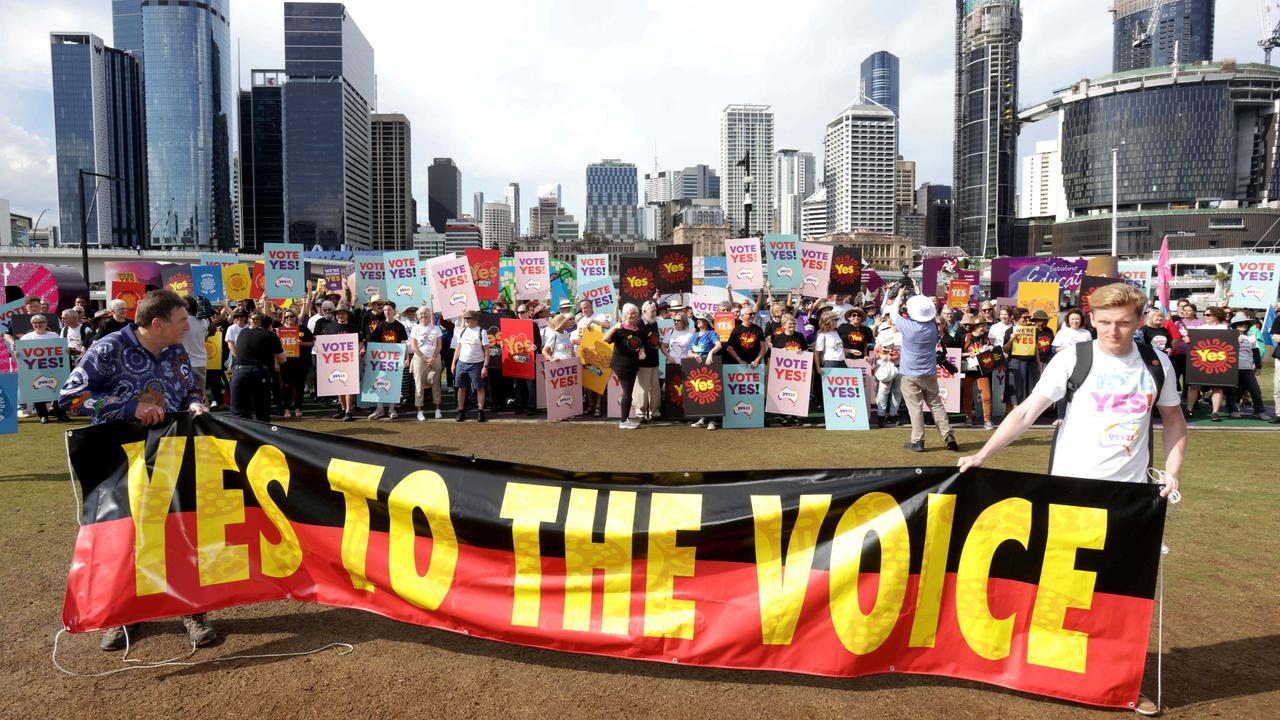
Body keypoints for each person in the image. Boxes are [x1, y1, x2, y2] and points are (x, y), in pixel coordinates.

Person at [957, 283, 1185, 719]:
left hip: (1131, 500)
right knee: (1058, 591)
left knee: (1121, 596)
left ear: (1139, 320)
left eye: (1123, 322)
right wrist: (983, 454)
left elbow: (1174, 420)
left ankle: (1122, 685)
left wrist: (1172, 472)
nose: (1113, 331)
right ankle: (1044, 670)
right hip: (1070, 495)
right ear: (1091, 320)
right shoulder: (1074, 358)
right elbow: (1026, 411)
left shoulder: (1156, 364)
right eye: (1104, 323)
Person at [56, 289, 217, 652]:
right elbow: (71, 396)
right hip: (119, 461)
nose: (187, 326)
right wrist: (129, 408)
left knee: (181, 530)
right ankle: (123, 616)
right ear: (157, 323)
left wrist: (195, 404)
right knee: (123, 538)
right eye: (180, 320)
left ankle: (192, 610)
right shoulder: (109, 348)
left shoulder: (176, 349)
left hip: (172, 453)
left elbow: (191, 387)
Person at [889, 291, 958, 452]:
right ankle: (948, 435)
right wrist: (918, 294)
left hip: (910, 374)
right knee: (936, 405)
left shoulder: (908, 326)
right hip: (929, 373)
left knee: (915, 408)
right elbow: (926, 310)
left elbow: (893, 312)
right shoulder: (932, 326)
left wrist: (899, 295)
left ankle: (918, 440)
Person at [229, 312, 284, 422]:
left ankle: (240, 437)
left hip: (239, 372)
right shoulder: (270, 335)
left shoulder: (242, 333)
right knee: (262, 413)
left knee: (239, 414)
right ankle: (261, 437)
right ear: (268, 325)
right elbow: (283, 359)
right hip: (259, 373)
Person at [20, 315, 70, 423]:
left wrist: (66, 351)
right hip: (35, 368)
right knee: (39, 391)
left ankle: (61, 414)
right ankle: (43, 415)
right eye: (35, 323)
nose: (38, 325)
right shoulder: (27, 338)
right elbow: (21, 353)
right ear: (32, 325)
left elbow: (61, 349)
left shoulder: (54, 336)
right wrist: (17, 353)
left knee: (57, 389)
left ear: (46, 324)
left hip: (53, 367)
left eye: (41, 322)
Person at [604, 304, 647, 430]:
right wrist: (614, 328)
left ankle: (625, 419)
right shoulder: (619, 328)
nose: (633, 315)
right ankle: (623, 421)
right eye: (630, 313)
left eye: (635, 313)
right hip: (622, 365)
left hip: (633, 365)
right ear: (625, 315)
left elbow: (640, 345)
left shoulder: (638, 330)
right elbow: (605, 338)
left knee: (628, 393)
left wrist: (642, 352)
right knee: (627, 393)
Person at [366, 300, 408, 420]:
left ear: (394, 311)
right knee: (379, 382)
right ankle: (379, 409)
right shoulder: (380, 326)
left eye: (389, 310)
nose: (387, 312)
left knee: (393, 383)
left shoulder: (399, 326)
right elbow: (374, 342)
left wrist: (406, 359)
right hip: (382, 359)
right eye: (385, 310)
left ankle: (391, 409)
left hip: (395, 359)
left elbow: (403, 343)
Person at [317, 304, 360, 421]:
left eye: (343, 313)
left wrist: (359, 350)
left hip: (350, 361)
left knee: (349, 386)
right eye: (338, 313)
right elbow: (323, 343)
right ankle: (343, 409)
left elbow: (360, 342)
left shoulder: (353, 327)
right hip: (334, 361)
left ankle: (348, 411)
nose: (341, 315)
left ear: (347, 315)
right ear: (336, 315)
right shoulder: (330, 327)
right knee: (338, 385)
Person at [1229, 313, 1270, 420]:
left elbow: (1255, 351)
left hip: (1247, 368)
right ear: (1234, 325)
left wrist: (1258, 366)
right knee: (1233, 391)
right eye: (1240, 324)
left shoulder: (1252, 336)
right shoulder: (1228, 335)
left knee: (1255, 390)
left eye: (1246, 323)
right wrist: (1235, 341)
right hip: (1232, 368)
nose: (1244, 325)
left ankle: (1259, 411)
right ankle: (1232, 410)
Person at [959, 313, 996, 429]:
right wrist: (968, 354)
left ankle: (987, 420)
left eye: (985, 326)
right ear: (976, 326)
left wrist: (991, 349)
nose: (984, 329)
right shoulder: (965, 337)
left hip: (982, 370)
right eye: (982, 326)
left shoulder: (986, 339)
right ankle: (968, 417)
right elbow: (956, 354)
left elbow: (992, 355)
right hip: (968, 369)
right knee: (968, 395)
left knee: (986, 396)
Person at [451, 310, 488, 422]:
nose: (466, 320)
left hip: (477, 364)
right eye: (465, 318)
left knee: (479, 387)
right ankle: (461, 411)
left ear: (475, 320)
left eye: (468, 318)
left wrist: (485, 366)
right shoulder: (463, 331)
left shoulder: (482, 332)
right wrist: (453, 363)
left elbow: (487, 351)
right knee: (461, 387)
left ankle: (480, 411)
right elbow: (458, 348)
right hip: (462, 363)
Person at [277, 308, 314, 418]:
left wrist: (302, 343)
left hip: (301, 362)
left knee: (299, 385)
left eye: (291, 316)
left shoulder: (303, 329)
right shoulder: (281, 331)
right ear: (284, 318)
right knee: (286, 385)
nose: (289, 318)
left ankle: (298, 408)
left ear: (295, 317)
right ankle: (287, 409)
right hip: (286, 362)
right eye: (286, 317)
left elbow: (312, 342)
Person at [409, 311, 445, 421]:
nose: (424, 316)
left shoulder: (436, 328)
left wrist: (433, 358)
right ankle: (419, 411)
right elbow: (414, 346)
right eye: (422, 314)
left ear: (430, 317)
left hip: (435, 358)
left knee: (436, 384)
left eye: (426, 314)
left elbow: (439, 345)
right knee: (419, 384)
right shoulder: (415, 328)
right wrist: (425, 358)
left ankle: (437, 409)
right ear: (418, 316)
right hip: (420, 359)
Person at [632, 301, 663, 423]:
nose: (655, 313)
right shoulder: (639, 324)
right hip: (643, 363)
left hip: (654, 360)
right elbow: (636, 342)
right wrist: (641, 351)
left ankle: (654, 412)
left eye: (655, 311)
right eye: (652, 311)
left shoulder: (654, 323)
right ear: (644, 312)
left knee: (655, 388)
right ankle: (640, 413)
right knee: (641, 389)